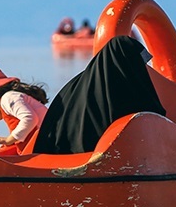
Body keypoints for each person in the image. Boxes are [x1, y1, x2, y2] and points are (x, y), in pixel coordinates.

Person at [32, 35, 166, 155]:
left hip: (55, 152)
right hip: (94, 156)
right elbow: (152, 116)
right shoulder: (121, 91)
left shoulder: (75, 86)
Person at [0, 65, 49, 156]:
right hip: (40, 143)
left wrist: (9, 139)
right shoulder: (12, 98)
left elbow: (30, 118)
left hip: (45, 145)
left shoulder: (8, 98)